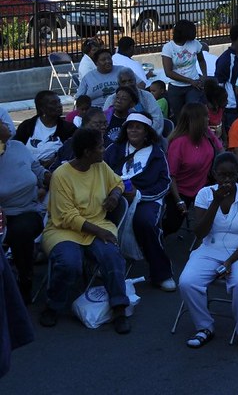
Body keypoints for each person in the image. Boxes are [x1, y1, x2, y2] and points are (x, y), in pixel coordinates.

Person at [40, 128, 131, 333]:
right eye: (100, 147)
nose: (104, 150)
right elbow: (67, 217)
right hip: (63, 230)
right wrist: (100, 232)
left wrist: (115, 195)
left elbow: (118, 182)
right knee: (69, 263)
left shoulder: (100, 166)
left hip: (97, 223)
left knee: (112, 257)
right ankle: (53, 305)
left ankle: (119, 308)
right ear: (87, 152)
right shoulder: (61, 175)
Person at [177, 152, 238, 352]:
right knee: (187, 282)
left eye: (231, 175)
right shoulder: (205, 194)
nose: (227, 180)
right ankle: (204, 327)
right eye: (222, 175)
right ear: (214, 174)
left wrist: (230, 261)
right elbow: (199, 232)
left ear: (237, 174)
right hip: (209, 248)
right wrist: (215, 203)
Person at [103, 113, 175, 291]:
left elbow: (165, 182)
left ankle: (162, 273)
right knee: (100, 219)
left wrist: (139, 194)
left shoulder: (157, 154)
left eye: (138, 127)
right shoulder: (114, 149)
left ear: (147, 132)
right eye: (130, 126)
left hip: (147, 199)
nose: (133, 130)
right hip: (115, 196)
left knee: (145, 222)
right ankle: (105, 265)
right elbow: (101, 173)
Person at [0, 120, 46, 302]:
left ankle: (25, 279)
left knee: (21, 230)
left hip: (28, 210)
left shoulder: (18, 146)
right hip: (2, 214)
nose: (5, 123)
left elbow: (38, 170)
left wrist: (50, 179)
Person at [166, 102, 223, 235]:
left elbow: (221, 152)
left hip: (203, 187)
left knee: (213, 222)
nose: (208, 119)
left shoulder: (207, 134)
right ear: (195, 120)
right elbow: (171, 176)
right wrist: (178, 200)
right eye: (205, 116)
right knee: (172, 225)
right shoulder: (178, 143)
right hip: (181, 191)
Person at [14, 90, 75, 168]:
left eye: (59, 102)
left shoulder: (69, 128)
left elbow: (71, 153)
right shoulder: (27, 126)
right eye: (53, 103)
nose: (59, 105)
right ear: (42, 108)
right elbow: (16, 149)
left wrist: (52, 162)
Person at [161, 20, 206, 121]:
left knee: (193, 114)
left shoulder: (195, 44)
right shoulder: (168, 48)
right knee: (179, 117)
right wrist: (190, 81)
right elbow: (168, 72)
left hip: (193, 86)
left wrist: (204, 76)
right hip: (176, 87)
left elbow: (202, 60)